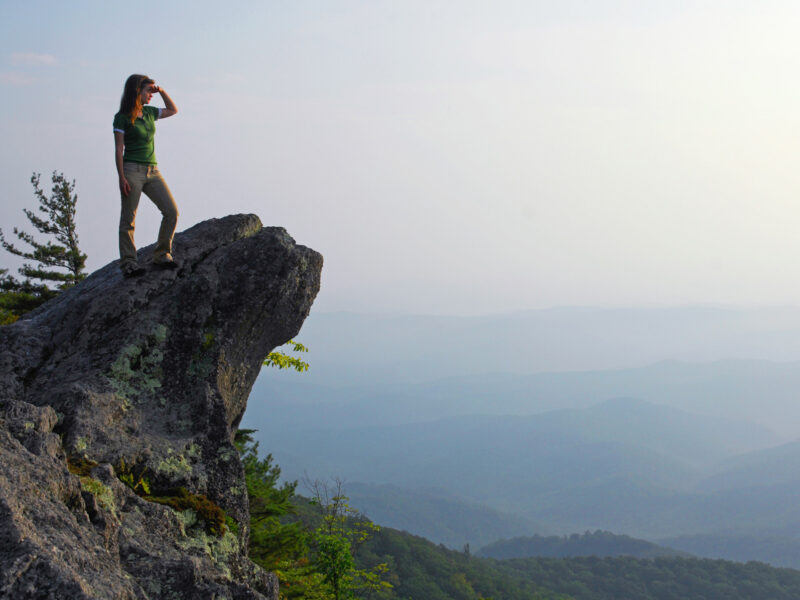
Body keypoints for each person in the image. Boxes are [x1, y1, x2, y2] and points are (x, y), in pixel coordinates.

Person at [113, 74, 179, 277]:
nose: (151, 94)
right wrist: (121, 177)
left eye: (152, 91)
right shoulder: (122, 117)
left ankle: (162, 254)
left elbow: (173, 110)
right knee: (129, 219)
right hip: (132, 169)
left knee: (171, 211)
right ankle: (129, 263)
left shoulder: (150, 112)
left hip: (153, 170)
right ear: (137, 91)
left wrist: (162, 91)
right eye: (148, 91)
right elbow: (119, 148)